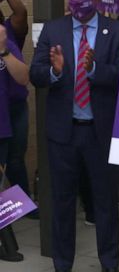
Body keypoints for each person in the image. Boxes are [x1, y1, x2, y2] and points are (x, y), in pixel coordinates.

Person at [30, 0, 119, 272]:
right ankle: (63, 264)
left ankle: (109, 263)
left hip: (100, 132)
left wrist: (95, 69)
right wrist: (56, 72)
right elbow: (36, 73)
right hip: (64, 133)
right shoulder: (53, 30)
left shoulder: (117, 32)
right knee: (62, 203)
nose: (78, 0)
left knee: (105, 203)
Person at [0, 0, 33, 206]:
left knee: (14, 159)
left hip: (14, 108)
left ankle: (22, 205)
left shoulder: (8, 37)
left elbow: (21, 11)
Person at [0, 22, 29, 262]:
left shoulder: (6, 43)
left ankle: (7, 243)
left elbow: (23, 78)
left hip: (2, 125)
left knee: (3, 181)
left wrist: (3, 50)